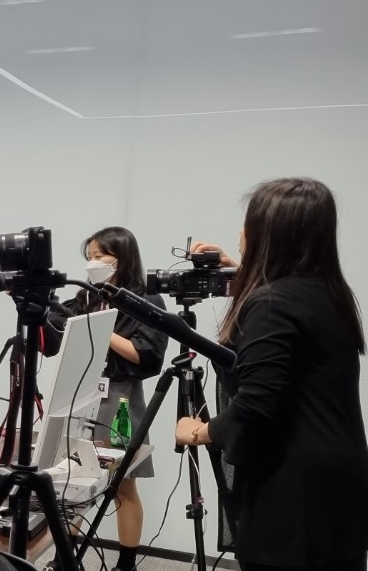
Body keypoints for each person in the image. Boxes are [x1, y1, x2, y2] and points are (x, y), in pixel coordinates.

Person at [177, 178, 368, 571]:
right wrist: (242, 269)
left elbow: (255, 407)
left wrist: (198, 432)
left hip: (292, 490)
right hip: (339, 482)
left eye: (250, 224)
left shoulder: (271, 304)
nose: (241, 232)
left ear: (268, 236)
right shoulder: (326, 292)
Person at [46, 227, 167, 571]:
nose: (93, 263)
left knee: (121, 487)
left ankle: (125, 565)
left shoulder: (146, 301)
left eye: (100, 256)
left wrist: (99, 328)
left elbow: (145, 356)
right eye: (90, 257)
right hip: (80, 394)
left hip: (120, 398)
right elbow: (56, 334)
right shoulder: (85, 297)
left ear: (122, 257)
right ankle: (63, 560)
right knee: (71, 483)